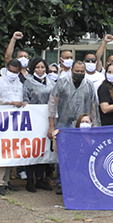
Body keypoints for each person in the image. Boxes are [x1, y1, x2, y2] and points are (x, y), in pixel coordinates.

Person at [47, 60, 99, 195]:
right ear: (72, 70)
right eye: (77, 71)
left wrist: (96, 127)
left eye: (82, 72)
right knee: (62, 155)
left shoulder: (89, 86)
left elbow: (94, 106)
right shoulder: (62, 83)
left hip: (82, 126)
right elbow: (52, 103)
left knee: (81, 154)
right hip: (64, 124)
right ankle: (61, 182)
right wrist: (51, 125)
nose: (79, 74)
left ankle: (79, 182)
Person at [0, 59, 27, 195]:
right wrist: (11, 102)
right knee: (2, 152)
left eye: (16, 72)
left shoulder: (19, 83)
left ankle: (6, 181)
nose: (13, 74)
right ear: (6, 69)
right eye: (10, 71)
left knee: (12, 151)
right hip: (1, 122)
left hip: (15, 123)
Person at [22, 58, 54, 192]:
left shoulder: (52, 83)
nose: (40, 70)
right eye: (37, 67)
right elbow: (25, 99)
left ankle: (40, 179)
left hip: (47, 121)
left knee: (44, 149)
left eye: (42, 67)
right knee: (32, 149)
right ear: (33, 69)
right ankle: (30, 180)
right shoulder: (28, 83)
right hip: (33, 121)